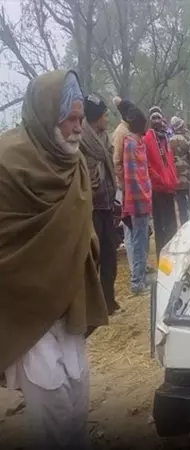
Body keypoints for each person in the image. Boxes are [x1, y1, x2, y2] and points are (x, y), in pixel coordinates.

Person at [0, 70, 108, 449]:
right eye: (71, 119)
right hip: (27, 310)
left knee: (77, 399)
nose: (79, 128)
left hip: (69, 301)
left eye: (81, 119)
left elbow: (81, 227)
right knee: (51, 414)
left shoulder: (73, 163)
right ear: (47, 115)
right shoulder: (7, 163)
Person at [81, 93, 120, 315]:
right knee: (93, 258)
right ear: (97, 118)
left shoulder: (105, 141)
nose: (108, 119)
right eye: (105, 115)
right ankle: (92, 306)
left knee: (109, 256)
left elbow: (110, 172)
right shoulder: (82, 144)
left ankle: (109, 301)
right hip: (92, 208)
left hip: (107, 205)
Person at [122, 105, 153, 295]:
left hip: (144, 199)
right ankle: (137, 283)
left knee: (143, 241)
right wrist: (143, 197)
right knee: (139, 243)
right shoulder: (130, 144)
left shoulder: (138, 143)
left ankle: (141, 278)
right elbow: (132, 177)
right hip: (138, 201)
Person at [144, 106, 178, 257]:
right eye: (154, 118)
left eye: (159, 117)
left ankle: (172, 258)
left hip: (169, 188)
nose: (157, 121)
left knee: (172, 227)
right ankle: (162, 260)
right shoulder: (147, 139)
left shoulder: (166, 138)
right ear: (150, 121)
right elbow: (147, 164)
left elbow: (169, 161)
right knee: (161, 228)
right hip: (158, 189)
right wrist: (158, 178)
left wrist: (172, 178)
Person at [170, 116, 190, 225]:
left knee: (182, 207)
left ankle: (184, 226)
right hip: (188, 178)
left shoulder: (169, 141)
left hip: (176, 179)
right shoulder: (187, 139)